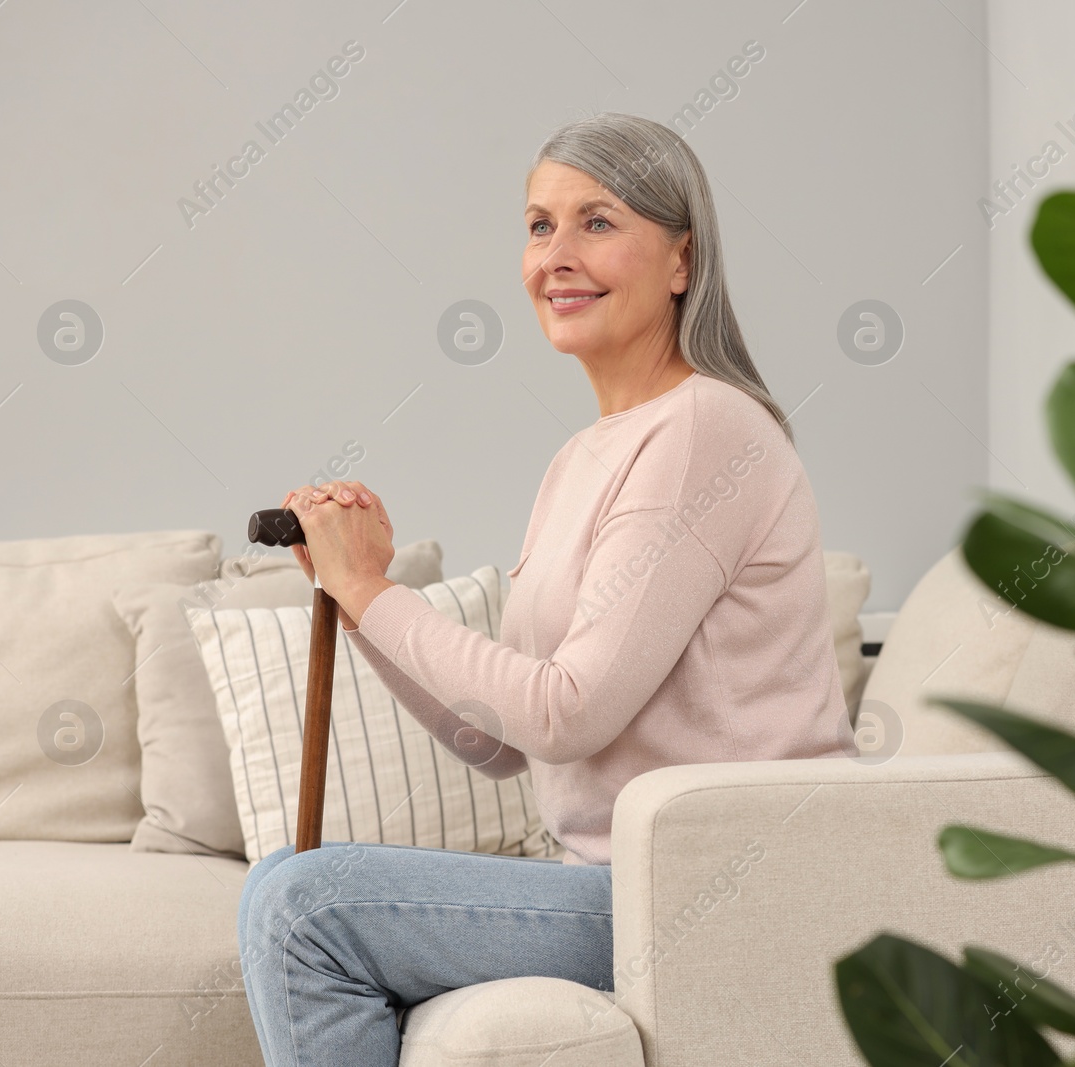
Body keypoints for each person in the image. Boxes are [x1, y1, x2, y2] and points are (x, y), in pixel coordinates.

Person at [237, 110, 857, 1066]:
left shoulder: (704, 432)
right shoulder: (584, 456)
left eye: (597, 223)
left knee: (303, 904)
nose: (556, 256)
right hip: (628, 883)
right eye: (539, 225)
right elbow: (498, 741)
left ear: (683, 260)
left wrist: (370, 591)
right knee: (285, 880)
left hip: (714, 888)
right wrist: (356, 596)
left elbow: (567, 714)